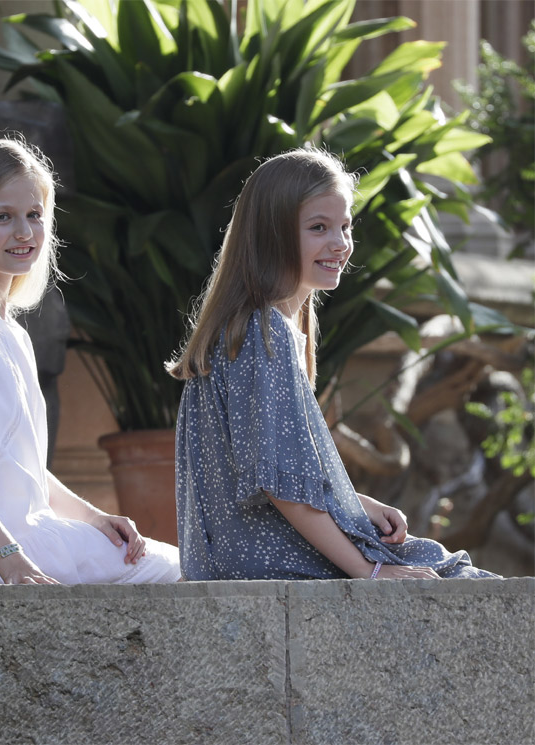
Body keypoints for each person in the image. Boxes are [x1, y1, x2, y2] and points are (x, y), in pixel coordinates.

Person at [167, 149, 497, 581]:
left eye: (344, 226)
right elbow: (281, 490)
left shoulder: (256, 328)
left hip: (247, 555)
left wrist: (357, 503)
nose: (339, 243)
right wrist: (371, 571)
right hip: (267, 559)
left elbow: (284, 477)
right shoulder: (263, 332)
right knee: (461, 582)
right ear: (272, 234)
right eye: (318, 227)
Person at [0, 138, 180, 585]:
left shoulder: (11, 332)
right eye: (2, 217)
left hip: (25, 540)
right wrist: (6, 554)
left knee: (182, 569)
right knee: (181, 572)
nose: (25, 232)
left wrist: (94, 517)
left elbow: (18, 467)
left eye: (34, 215)